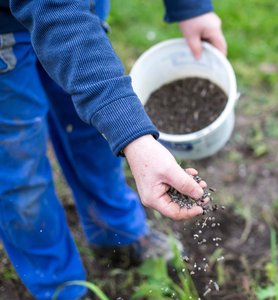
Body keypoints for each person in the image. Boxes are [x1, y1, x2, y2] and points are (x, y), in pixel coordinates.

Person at [0, 0, 227, 298]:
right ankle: (59, 285)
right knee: (20, 164)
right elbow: (57, 12)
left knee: (93, 129)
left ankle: (115, 232)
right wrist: (134, 137)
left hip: (81, 10)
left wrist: (190, 7)